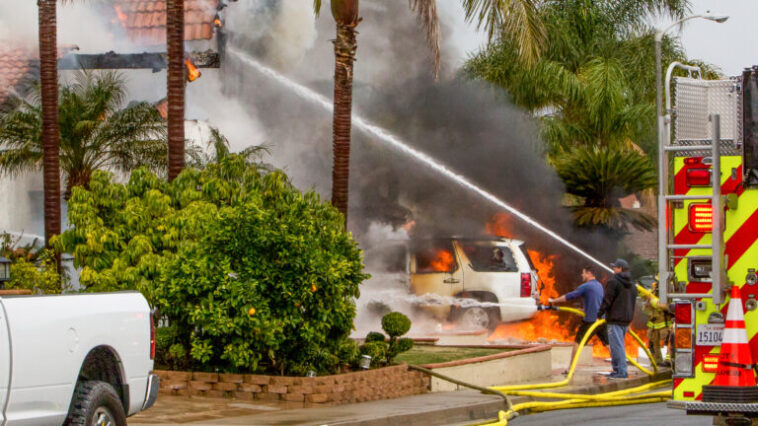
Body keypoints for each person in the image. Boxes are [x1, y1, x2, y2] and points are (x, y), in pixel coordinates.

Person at [548, 266, 608, 373]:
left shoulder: (586, 286)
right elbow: (594, 301)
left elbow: (569, 296)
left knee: (577, 343)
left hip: (591, 321)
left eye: (583, 273)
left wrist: (554, 300)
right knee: (608, 344)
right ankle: (619, 367)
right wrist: (583, 309)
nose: (582, 275)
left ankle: (571, 368)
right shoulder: (599, 285)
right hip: (601, 320)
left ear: (589, 274)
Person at [598, 258, 637, 379]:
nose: (613, 269)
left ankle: (621, 372)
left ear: (620, 268)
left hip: (615, 320)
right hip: (626, 320)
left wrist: (599, 314)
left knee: (616, 346)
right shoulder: (632, 285)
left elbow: (607, 300)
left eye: (615, 267)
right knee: (618, 345)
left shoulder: (613, 282)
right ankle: (617, 370)